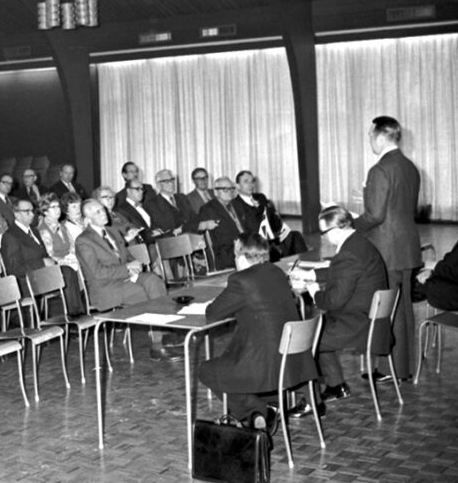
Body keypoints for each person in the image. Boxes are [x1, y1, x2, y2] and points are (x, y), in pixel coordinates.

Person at [197, 233, 315, 429]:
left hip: (265, 364)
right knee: (229, 364)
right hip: (292, 359)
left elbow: (212, 314)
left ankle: (258, 410)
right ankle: (266, 408)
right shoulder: (276, 272)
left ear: (242, 258)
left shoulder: (241, 280)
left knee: (207, 370)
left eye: (235, 255)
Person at [289, 206, 388, 417]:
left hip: (356, 323)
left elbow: (331, 302)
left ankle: (312, 403)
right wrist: (313, 275)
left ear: (338, 228)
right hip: (366, 316)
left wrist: (314, 291)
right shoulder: (358, 243)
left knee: (304, 341)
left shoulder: (349, 253)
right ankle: (336, 387)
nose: (323, 238)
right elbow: (342, 271)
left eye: (324, 232)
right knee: (319, 329)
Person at [354, 116, 422, 382]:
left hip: (387, 249)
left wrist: (350, 225)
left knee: (386, 309)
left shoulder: (379, 169)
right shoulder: (409, 167)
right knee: (403, 309)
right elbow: (398, 206)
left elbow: (375, 217)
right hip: (405, 246)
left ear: (381, 136)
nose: (370, 141)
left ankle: (388, 369)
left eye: (370, 136)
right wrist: (369, 197)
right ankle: (400, 368)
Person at [74, 199, 178, 361]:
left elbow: (126, 257)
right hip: (106, 289)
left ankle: (164, 331)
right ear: (87, 220)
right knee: (149, 294)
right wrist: (127, 269)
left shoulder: (112, 232)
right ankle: (158, 343)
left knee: (154, 280)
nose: (104, 214)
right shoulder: (83, 241)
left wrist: (133, 264)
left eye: (103, 209)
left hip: (125, 280)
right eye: (98, 212)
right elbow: (97, 273)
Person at [233, 170, 308, 260]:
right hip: (256, 240)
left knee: (296, 236)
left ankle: (307, 263)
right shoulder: (235, 204)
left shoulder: (261, 197)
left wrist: (279, 228)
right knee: (278, 248)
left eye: (252, 181)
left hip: (272, 235)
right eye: (246, 181)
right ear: (237, 186)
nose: (250, 185)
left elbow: (273, 219)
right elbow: (244, 227)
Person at [196, 177, 242, 270]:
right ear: (216, 192)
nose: (229, 192)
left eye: (231, 189)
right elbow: (218, 239)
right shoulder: (208, 209)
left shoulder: (235, 206)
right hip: (225, 255)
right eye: (225, 189)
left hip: (241, 249)